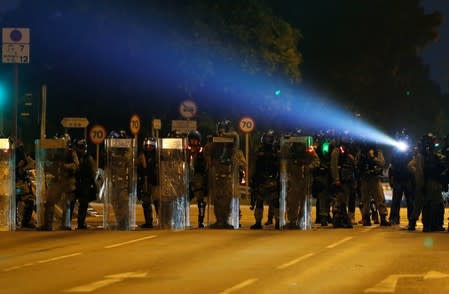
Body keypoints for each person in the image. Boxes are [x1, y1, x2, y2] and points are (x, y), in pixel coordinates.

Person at [408, 133, 446, 232]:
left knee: (436, 204)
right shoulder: (421, 156)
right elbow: (416, 169)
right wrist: (421, 184)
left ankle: (434, 224)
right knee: (423, 205)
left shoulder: (434, 155)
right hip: (426, 183)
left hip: (433, 182)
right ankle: (424, 224)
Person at [250, 130, 280, 229]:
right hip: (260, 180)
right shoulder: (258, 151)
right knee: (259, 201)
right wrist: (252, 178)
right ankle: (258, 222)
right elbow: (254, 165)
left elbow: (280, 166)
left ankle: (278, 222)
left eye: (270, 138)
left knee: (275, 202)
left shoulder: (276, 151)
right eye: (266, 138)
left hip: (273, 179)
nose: (268, 140)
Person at [358, 143, 390, 226]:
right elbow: (357, 163)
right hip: (365, 178)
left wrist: (373, 157)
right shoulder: (361, 152)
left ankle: (383, 217)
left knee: (380, 198)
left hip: (374, 178)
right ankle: (366, 218)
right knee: (365, 200)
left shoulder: (377, 152)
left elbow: (382, 163)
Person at [388, 130, 414, 226]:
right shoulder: (395, 151)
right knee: (396, 200)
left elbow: (412, 165)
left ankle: (411, 219)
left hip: (407, 178)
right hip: (398, 178)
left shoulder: (410, 151)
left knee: (410, 200)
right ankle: (394, 218)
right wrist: (391, 178)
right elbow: (392, 166)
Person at [330, 137, 357, 228]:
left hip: (349, 180)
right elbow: (334, 166)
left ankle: (345, 219)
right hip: (342, 180)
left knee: (348, 200)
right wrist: (336, 179)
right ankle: (339, 219)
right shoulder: (337, 151)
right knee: (340, 201)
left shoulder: (348, 152)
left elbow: (353, 167)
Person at [72, 139, 97, 229]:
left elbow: (93, 172)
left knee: (83, 205)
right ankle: (68, 224)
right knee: (73, 204)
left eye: (82, 147)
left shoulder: (87, 158)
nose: (81, 150)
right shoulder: (74, 157)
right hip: (76, 183)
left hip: (84, 183)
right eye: (80, 147)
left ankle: (80, 223)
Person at [187, 130, 208, 228]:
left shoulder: (202, 151)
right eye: (191, 140)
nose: (193, 142)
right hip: (186, 177)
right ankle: (184, 219)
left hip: (198, 177)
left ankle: (201, 221)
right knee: (184, 199)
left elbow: (207, 163)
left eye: (195, 140)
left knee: (200, 200)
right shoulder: (186, 150)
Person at [137, 137, 159, 228]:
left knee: (157, 202)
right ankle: (148, 222)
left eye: (151, 145)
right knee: (146, 202)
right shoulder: (141, 155)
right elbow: (137, 167)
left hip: (155, 182)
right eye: (147, 145)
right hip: (145, 181)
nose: (149, 147)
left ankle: (161, 220)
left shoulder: (157, 155)